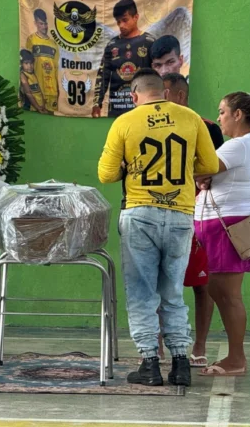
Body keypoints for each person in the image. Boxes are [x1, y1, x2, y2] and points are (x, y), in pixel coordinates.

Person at [97, 68, 219, 387]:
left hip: (139, 213)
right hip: (180, 214)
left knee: (141, 292)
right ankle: (180, 363)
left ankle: (150, 363)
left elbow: (106, 174)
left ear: (134, 96)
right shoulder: (191, 118)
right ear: (164, 93)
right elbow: (210, 165)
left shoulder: (125, 122)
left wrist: (126, 166)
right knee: (173, 292)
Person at [194, 91, 250, 377]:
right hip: (220, 225)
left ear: (238, 115)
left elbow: (198, 170)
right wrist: (204, 178)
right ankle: (235, 356)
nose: (219, 118)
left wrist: (202, 176)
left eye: (222, 112)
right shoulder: (242, 145)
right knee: (219, 291)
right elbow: (205, 175)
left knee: (228, 295)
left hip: (226, 226)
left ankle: (237, 359)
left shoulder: (239, 145)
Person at [159, 73, 225, 367]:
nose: (159, 99)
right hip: (157, 210)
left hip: (197, 213)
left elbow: (216, 170)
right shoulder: (147, 125)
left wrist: (200, 179)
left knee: (202, 283)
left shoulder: (207, 128)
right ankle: (156, 345)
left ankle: (199, 345)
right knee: (157, 282)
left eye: (164, 93)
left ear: (180, 96)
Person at [91, 0, 155, 118]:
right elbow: (103, 75)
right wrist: (97, 103)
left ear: (136, 17)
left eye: (125, 20)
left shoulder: (149, 42)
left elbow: (158, 74)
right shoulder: (112, 45)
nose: (121, 25)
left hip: (143, 107)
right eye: (118, 22)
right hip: (117, 108)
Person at [25, 9, 60, 113]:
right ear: (35, 23)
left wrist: (58, 88)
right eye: (41, 24)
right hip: (37, 89)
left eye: (45, 24)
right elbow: (27, 65)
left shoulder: (53, 44)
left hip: (51, 90)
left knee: (51, 116)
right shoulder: (31, 40)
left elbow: (56, 68)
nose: (44, 27)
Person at [18, 49, 47, 113]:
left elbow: (39, 91)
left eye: (31, 63)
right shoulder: (23, 75)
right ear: (21, 64)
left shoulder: (33, 74)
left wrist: (43, 105)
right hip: (31, 106)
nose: (29, 66)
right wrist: (37, 107)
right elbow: (28, 93)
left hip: (39, 105)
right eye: (26, 63)